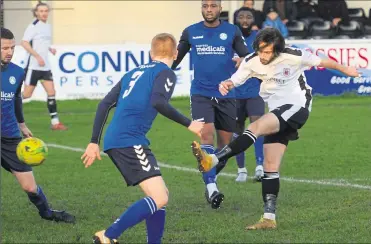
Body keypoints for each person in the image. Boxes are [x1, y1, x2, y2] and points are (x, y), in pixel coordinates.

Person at [191, 27, 360, 230]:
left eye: (268, 52)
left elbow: (323, 61)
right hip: (277, 111)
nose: (263, 56)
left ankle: (214, 159)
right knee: (271, 166)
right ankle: (269, 218)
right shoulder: (251, 61)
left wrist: (346, 69)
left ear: (277, 50)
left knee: (256, 126)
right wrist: (226, 84)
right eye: (261, 50)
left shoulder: (293, 55)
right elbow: (235, 80)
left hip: (297, 107)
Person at [81, 33, 204, 244]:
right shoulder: (166, 73)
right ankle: (108, 235)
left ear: (150, 53)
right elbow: (158, 102)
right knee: (160, 197)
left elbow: (104, 104)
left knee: (160, 195)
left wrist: (94, 141)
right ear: (175, 54)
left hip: (118, 139)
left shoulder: (133, 72)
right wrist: (189, 123)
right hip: (129, 140)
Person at [172, 0, 249, 209]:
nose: (209, 9)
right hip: (200, 94)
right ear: (201, 8)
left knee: (225, 146)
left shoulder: (231, 31)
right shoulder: (190, 32)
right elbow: (175, 60)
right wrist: (158, 72)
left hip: (226, 93)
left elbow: (245, 53)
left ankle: (209, 175)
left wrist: (244, 60)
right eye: (205, 6)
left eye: (213, 6)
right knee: (206, 136)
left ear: (220, 8)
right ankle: (212, 187)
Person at [1, 27, 75, 223]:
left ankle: (47, 213)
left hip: (9, 136)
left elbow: (16, 98)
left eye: (12, 47)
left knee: (30, 187)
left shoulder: (17, 72)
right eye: (4, 48)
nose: (9, 52)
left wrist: (22, 125)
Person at [21, 2, 67, 130]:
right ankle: (5, 104)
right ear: (36, 13)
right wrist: (37, 56)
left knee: (51, 92)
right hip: (33, 66)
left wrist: (49, 49)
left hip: (45, 66)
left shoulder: (47, 26)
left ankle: (55, 123)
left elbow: (42, 43)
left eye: (46, 11)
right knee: (27, 94)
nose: (44, 13)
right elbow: (24, 43)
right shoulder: (33, 26)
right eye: (41, 11)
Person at [232, 7, 265, 182]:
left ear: (253, 20)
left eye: (248, 17)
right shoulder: (229, 39)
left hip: (254, 91)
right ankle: (241, 170)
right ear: (236, 19)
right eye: (241, 17)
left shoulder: (259, 39)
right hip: (235, 93)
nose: (245, 19)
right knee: (237, 131)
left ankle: (260, 166)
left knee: (257, 127)